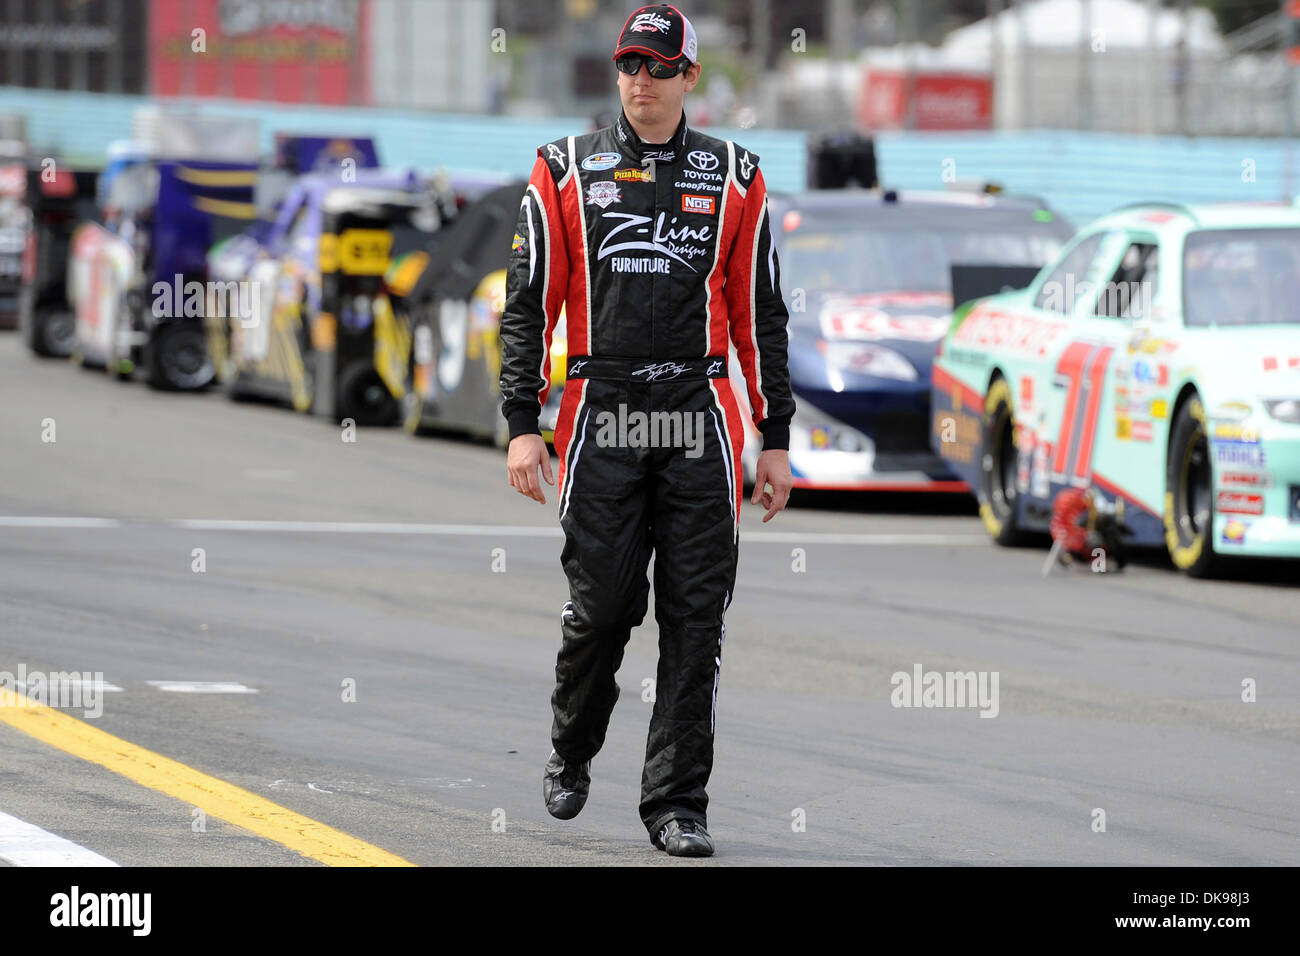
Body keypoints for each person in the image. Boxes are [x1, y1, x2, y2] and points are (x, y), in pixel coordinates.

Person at [498, 3, 794, 858]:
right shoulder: (563, 167)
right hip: (604, 410)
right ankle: (571, 744)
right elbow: (526, 307)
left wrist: (774, 434)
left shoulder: (736, 173)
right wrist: (524, 424)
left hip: (701, 413)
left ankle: (676, 805)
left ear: (689, 77)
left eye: (660, 68)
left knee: (696, 621)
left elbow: (759, 314)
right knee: (604, 607)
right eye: (630, 65)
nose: (642, 81)